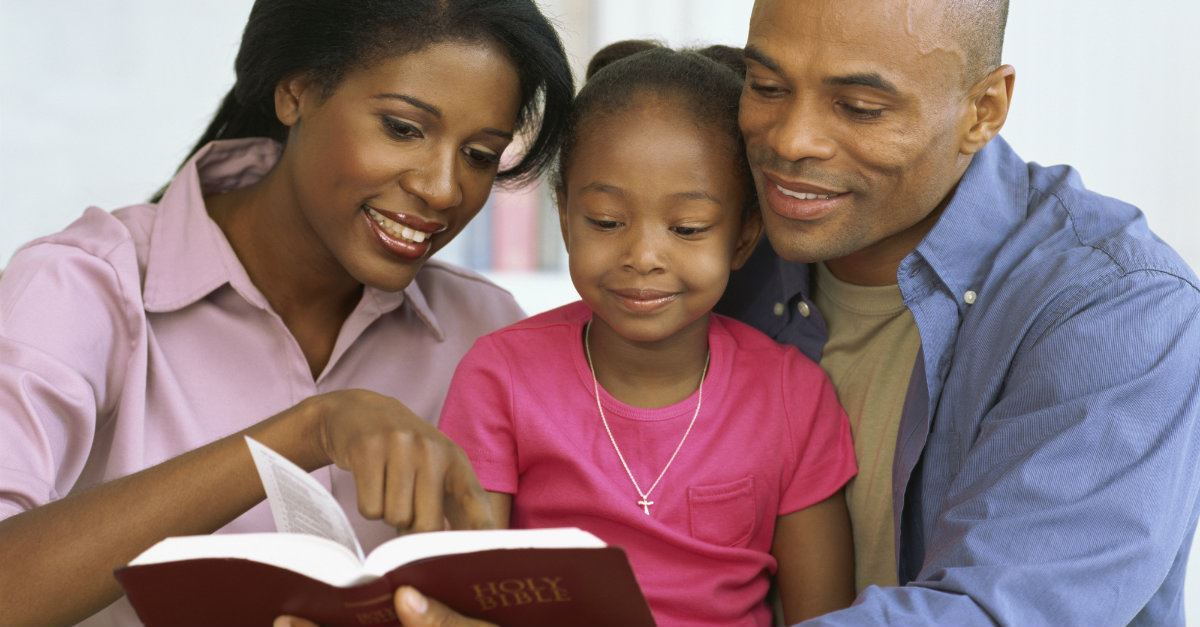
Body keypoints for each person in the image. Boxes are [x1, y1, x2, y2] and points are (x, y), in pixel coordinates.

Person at [0, 1, 573, 624]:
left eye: (480, 155)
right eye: (403, 129)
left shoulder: (483, 331)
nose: (442, 189)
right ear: (295, 91)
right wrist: (307, 432)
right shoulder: (83, 287)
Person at [713, 0, 1200, 624]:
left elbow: (993, 614)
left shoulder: (1117, 307)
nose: (790, 140)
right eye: (767, 86)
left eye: (860, 108)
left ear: (983, 110)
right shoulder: (709, 243)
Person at [437, 42, 857, 626]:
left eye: (687, 228)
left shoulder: (793, 397)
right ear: (564, 217)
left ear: (742, 237)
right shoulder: (500, 376)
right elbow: (462, 596)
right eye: (607, 222)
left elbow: (827, 618)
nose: (642, 256)